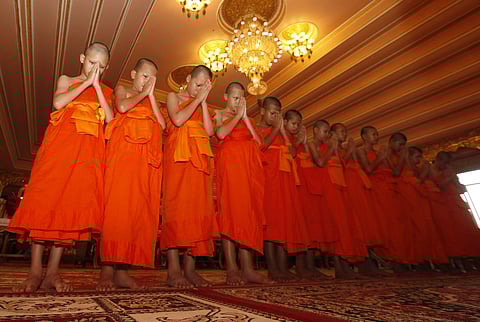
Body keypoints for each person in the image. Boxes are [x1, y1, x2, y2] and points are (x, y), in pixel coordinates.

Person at [9, 42, 114, 292]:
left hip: (85, 156)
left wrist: (97, 87)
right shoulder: (67, 79)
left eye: (101, 66)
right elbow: (58, 104)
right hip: (58, 150)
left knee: (68, 208)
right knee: (45, 203)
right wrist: (87, 83)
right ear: (81, 58)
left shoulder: (106, 91)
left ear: (106, 67)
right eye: (91, 62)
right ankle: (35, 271)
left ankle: (53, 273)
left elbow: (110, 119)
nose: (95, 68)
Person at [97, 58, 166, 291]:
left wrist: (152, 96)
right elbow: (123, 107)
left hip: (144, 163)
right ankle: (107, 272)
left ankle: (122, 271)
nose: (148, 81)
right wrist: (144, 93)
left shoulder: (150, 100)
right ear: (134, 73)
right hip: (123, 157)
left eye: (152, 79)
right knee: (117, 211)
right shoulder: (123, 90)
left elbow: (163, 126)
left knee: (136, 213)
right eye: (145, 76)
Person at [162, 65, 217, 288]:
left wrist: (203, 101)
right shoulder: (173, 96)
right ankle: (173, 270)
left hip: (200, 160)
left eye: (205, 86)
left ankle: (191, 270)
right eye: (197, 84)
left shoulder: (202, 103)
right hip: (178, 159)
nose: (200, 88)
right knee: (176, 209)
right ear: (188, 79)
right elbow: (177, 119)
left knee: (197, 210)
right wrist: (197, 99)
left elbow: (210, 132)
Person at [214, 82, 271, 285]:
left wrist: (245, 117)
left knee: (247, 214)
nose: (238, 102)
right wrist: (238, 116)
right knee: (230, 214)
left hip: (249, 170)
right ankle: (232, 268)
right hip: (230, 167)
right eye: (235, 98)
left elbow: (259, 143)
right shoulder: (219, 113)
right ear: (226, 97)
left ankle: (248, 268)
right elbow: (220, 134)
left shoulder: (250, 120)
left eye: (241, 98)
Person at [257, 99, 309, 281]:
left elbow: (293, 153)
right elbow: (260, 147)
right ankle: (273, 268)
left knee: (284, 225)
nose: (276, 117)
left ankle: (283, 268)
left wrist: (289, 135)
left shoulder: (282, 132)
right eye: (272, 113)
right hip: (268, 182)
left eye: (278, 113)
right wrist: (277, 130)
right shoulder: (257, 129)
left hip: (284, 182)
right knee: (270, 227)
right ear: (263, 111)